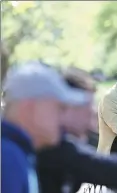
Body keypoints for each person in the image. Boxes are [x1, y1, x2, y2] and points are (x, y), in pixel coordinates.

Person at [1, 61, 89, 193]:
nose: (62, 118)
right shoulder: (8, 158)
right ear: (29, 109)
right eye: (59, 108)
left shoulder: (17, 152)